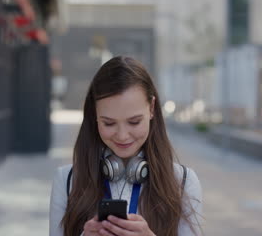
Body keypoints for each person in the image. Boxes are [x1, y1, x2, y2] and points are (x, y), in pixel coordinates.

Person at [49, 56, 203, 236]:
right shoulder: (67, 180)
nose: (122, 136)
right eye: (109, 123)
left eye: (134, 122)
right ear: (95, 114)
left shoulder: (183, 182)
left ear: (152, 108)